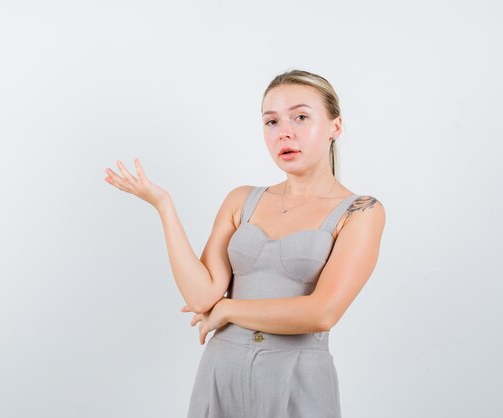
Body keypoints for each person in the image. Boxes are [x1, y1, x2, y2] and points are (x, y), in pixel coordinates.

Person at [103, 69, 385, 418]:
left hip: (298, 377)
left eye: (301, 117)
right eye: (271, 121)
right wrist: (164, 207)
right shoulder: (241, 200)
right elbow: (201, 296)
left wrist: (229, 310)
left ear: (335, 127)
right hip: (221, 372)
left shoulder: (361, 211)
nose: (285, 132)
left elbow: (322, 313)